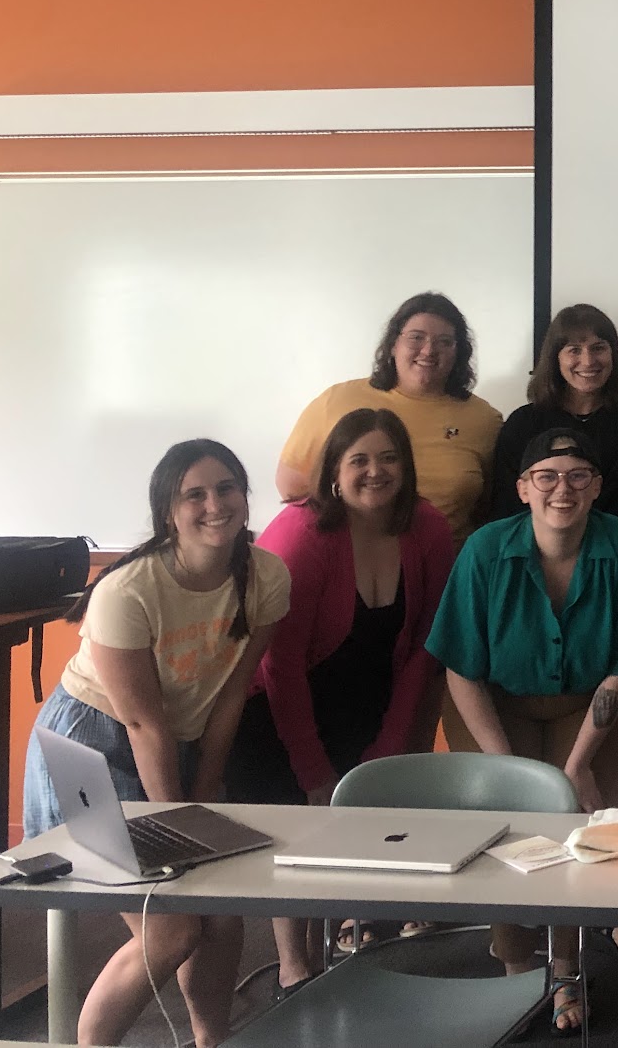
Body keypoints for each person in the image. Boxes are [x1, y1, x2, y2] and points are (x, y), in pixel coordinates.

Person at [22, 441, 290, 1048]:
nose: (214, 504)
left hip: (181, 739)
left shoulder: (267, 576)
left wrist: (198, 802)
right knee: (167, 929)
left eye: (226, 488)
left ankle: (208, 1042)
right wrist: (176, 822)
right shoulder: (127, 590)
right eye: (194, 494)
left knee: (220, 912)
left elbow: (229, 699)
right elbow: (141, 725)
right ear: (167, 511)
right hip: (90, 745)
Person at [426, 428, 618, 1034]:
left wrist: (579, 761)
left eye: (578, 476)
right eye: (548, 477)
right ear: (523, 489)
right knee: (510, 829)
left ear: (597, 488)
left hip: (587, 704)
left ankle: (564, 970)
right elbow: (461, 668)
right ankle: (514, 969)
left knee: (571, 826)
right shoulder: (484, 550)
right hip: (491, 701)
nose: (563, 489)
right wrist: (506, 768)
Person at [225, 408, 456, 990]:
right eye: (359, 460)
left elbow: (424, 650)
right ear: (332, 473)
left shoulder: (426, 527)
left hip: (367, 698)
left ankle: (350, 945)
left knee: (358, 826)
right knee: (294, 837)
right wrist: (312, 771)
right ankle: (293, 967)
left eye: (389, 458)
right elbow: (280, 668)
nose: (375, 472)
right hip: (276, 711)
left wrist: (386, 751)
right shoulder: (302, 534)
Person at [278, 292, 503, 542]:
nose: (429, 350)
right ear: (394, 345)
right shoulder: (337, 400)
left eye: (445, 342)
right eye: (416, 337)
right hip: (349, 559)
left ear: (459, 352)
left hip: (448, 567)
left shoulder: (484, 420)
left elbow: (491, 506)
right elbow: (292, 484)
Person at [489, 303, 618, 526]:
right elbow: (507, 509)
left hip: (606, 552)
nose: (588, 361)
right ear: (555, 358)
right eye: (574, 350)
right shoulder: (522, 424)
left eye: (598, 348)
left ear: (612, 355)